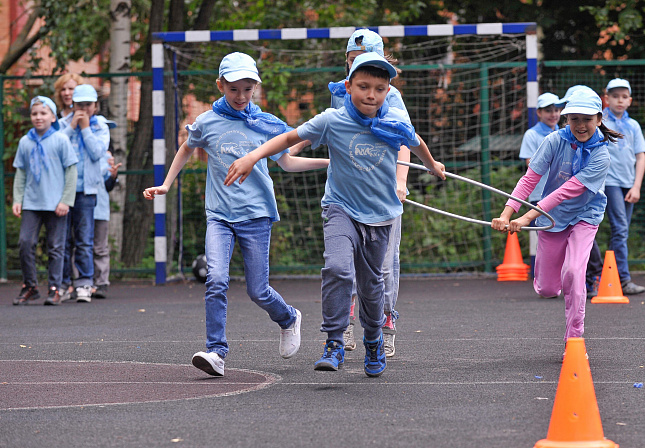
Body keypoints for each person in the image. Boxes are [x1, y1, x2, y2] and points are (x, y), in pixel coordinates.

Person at [224, 52, 446, 377]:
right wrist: (253, 157)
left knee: (372, 286)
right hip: (340, 207)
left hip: (380, 216)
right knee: (338, 268)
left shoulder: (394, 122)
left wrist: (431, 164)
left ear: (388, 91)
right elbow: (289, 137)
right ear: (348, 86)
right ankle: (334, 341)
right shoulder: (332, 119)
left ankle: (373, 340)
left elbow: (415, 142)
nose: (371, 94)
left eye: (379, 88)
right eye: (364, 86)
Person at [143, 52, 329, 376]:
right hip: (219, 215)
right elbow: (187, 148)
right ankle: (216, 352)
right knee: (215, 278)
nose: (241, 96)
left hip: (256, 215)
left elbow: (287, 162)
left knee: (258, 290)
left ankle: (288, 318)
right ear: (220, 86)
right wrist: (166, 183)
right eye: (233, 89)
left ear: (255, 87)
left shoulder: (266, 124)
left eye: (247, 89)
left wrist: (330, 164)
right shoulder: (206, 122)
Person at [491, 88, 621, 357]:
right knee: (547, 288)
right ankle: (559, 279)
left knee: (574, 272)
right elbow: (530, 178)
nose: (580, 125)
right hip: (552, 219)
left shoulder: (602, 155)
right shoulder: (553, 140)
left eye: (586, 119)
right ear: (566, 119)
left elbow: (566, 191)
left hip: (585, 216)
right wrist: (507, 212)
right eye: (574, 118)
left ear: (599, 118)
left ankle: (574, 340)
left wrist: (527, 216)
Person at [327, 29, 419, 357]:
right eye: (353, 63)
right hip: (348, 193)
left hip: (382, 195)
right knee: (344, 261)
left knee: (383, 266)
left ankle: (385, 321)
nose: (358, 69)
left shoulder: (390, 98)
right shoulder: (340, 94)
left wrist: (400, 181)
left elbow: (405, 142)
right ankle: (347, 323)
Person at [584, 79, 645, 297]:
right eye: (614, 96)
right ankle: (623, 279)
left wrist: (636, 186)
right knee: (619, 228)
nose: (619, 100)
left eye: (624, 96)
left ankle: (608, 276)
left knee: (621, 232)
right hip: (607, 183)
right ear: (606, 99)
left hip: (628, 184)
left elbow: (640, 157)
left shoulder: (634, 126)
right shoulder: (600, 122)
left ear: (629, 100)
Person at [12, 96, 78, 305]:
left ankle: (54, 288)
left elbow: (71, 171)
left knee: (56, 247)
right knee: (25, 243)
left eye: (43, 113)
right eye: (34, 113)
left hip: (56, 202)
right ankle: (30, 285)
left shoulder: (60, 139)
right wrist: (18, 198)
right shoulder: (25, 141)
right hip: (32, 202)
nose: (38, 117)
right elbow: (21, 173)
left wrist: (66, 200)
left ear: (52, 116)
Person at [58, 84, 110, 302]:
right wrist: (71, 127)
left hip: (87, 192)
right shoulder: (61, 125)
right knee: (62, 240)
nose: (84, 109)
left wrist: (86, 127)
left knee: (84, 240)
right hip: (63, 192)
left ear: (95, 106)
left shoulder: (100, 126)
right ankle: (63, 284)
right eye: (79, 105)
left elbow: (98, 152)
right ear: (72, 105)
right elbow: (56, 148)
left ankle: (85, 283)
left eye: (88, 104)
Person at [519, 92, 563, 279]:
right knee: (545, 239)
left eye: (556, 109)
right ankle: (545, 279)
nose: (553, 114)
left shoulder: (563, 133)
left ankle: (562, 278)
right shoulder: (532, 134)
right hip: (539, 194)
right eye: (548, 110)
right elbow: (531, 162)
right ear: (538, 112)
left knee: (562, 236)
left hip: (560, 194)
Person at [91, 150, 122, 299]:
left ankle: (101, 283)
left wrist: (113, 175)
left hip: (100, 209)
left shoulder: (106, 156)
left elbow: (109, 185)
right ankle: (81, 283)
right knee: (79, 246)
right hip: (78, 208)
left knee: (100, 247)